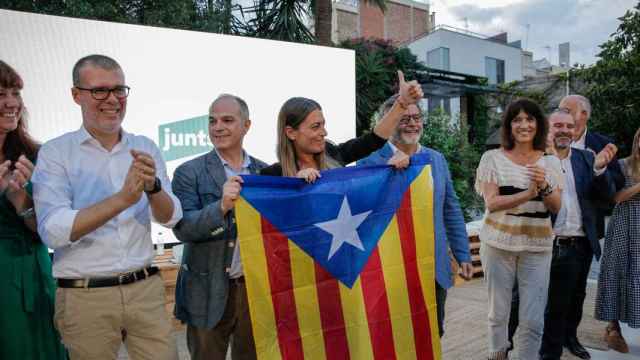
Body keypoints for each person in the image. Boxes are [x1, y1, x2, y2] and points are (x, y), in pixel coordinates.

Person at [32, 54, 182, 360]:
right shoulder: (56, 153)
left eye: (119, 90)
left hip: (145, 288)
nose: (112, 100)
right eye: (99, 90)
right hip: (85, 297)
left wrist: (153, 188)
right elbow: (52, 230)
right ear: (76, 95)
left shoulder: (145, 147)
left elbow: (171, 216)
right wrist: (122, 200)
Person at [356, 94, 473, 337]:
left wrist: (463, 254)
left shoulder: (436, 159)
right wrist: (394, 172)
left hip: (433, 267)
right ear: (387, 122)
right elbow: (364, 212)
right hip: (390, 270)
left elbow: (450, 209)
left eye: (417, 117)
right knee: (392, 337)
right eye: (404, 118)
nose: (412, 123)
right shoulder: (369, 162)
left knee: (431, 333)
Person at [171, 94, 267, 360]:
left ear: (246, 126)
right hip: (206, 293)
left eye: (227, 120)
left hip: (254, 292)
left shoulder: (266, 172)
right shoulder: (188, 172)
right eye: (212, 121)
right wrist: (221, 207)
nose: (218, 127)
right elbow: (183, 229)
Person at [475, 98, 562, 360]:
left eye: (530, 119)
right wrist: (527, 193)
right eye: (517, 119)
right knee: (498, 313)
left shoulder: (551, 163)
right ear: (509, 126)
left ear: (539, 124)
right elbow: (492, 202)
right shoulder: (492, 158)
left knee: (533, 319)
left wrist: (544, 186)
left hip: (537, 247)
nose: (524, 124)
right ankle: (497, 356)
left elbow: (556, 206)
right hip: (497, 244)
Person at [0, 61, 66, 359]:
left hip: (30, 273)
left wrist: (19, 200)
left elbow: (49, 231)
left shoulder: (37, 155)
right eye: (1, 94)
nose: (11, 102)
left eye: (15, 93)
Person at [538, 109, 617, 360]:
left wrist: (599, 170)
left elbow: (606, 197)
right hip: (549, 241)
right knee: (550, 304)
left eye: (569, 126)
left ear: (576, 130)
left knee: (576, 298)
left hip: (581, 241)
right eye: (557, 125)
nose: (564, 130)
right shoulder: (537, 158)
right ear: (548, 128)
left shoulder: (585, 158)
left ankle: (570, 339)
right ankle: (544, 352)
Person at [260, 71, 422, 178]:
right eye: (315, 127)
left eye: (323, 125)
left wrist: (402, 103)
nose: (324, 132)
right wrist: (296, 185)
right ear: (291, 132)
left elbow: (374, 139)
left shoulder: (334, 155)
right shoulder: (271, 176)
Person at [595, 127, 640, 354]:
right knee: (617, 272)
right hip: (625, 223)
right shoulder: (623, 165)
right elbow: (616, 197)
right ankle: (613, 327)